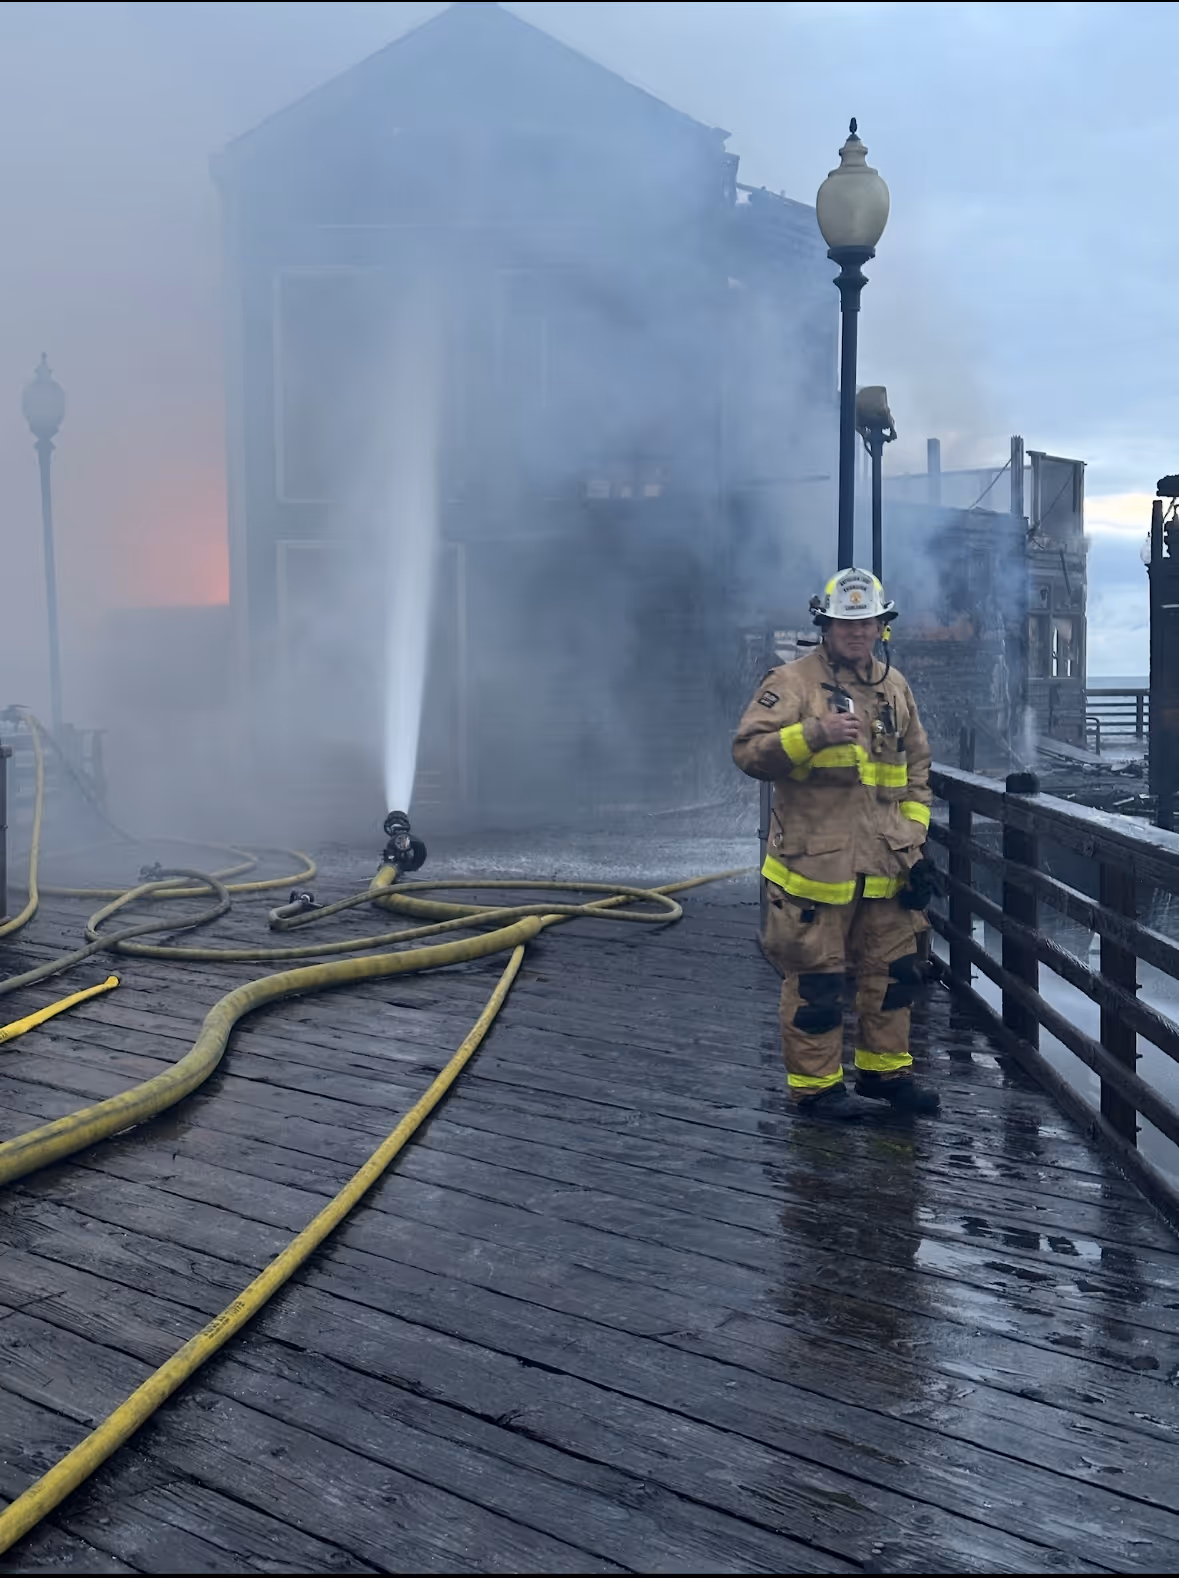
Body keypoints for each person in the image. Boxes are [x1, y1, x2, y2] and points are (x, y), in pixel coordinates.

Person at [732, 567, 940, 1122]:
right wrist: (812, 734)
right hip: (816, 869)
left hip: (887, 865)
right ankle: (817, 1090)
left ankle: (884, 1074)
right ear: (823, 626)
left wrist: (915, 841)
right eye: (846, 623)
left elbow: (917, 768)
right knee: (818, 984)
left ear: (882, 626)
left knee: (892, 976)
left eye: (867, 621)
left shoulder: (895, 688)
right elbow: (748, 752)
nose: (857, 632)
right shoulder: (792, 682)